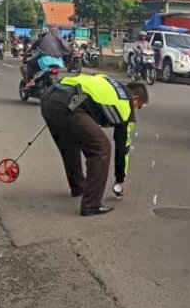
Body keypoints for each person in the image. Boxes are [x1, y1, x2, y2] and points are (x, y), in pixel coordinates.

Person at [40, 74, 149, 216]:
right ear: (134, 98)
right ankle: (91, 205)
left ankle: (78, 186)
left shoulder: (108, 81)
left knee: (69, 142)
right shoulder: (125, 104)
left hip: (51, 95)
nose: (135, 110)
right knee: (101, 149)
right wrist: (120, 180)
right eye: (138, 106)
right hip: (68, 103)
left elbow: (85, 91)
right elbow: (122, 148)